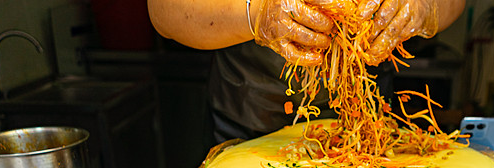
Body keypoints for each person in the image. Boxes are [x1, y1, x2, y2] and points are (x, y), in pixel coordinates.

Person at [147, 0, 466, 142]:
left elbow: (454, 2)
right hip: (249, 126)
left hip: (363, 128)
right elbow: (165, 11)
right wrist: (256, 14)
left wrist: (426, 7)